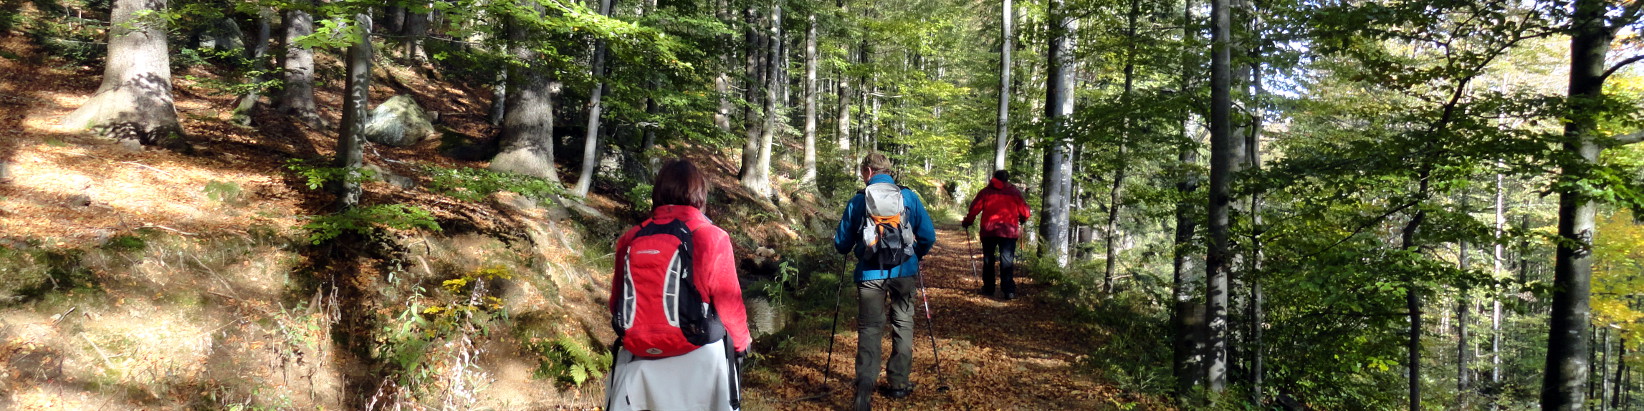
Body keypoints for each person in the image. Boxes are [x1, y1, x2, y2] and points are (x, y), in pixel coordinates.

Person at [607, 159, 752, 411]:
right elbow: (729, 304)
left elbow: (616, 303)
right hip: (698, 358)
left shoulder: (630, 238)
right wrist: (741, 345)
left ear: (658, 192)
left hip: (638, 358)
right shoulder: (712, 237)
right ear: (699, 194)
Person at [832, 152, 936, 410]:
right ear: (887, 171)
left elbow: (841, 244)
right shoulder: (909, 197)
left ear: (868, 171)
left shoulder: (859, 201)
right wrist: (915, 255)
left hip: (870, 275)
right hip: (904, 272)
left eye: (861, 171)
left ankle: (864, 388)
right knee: (903, 323)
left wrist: (851, 246)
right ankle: (898, 384)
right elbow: (928, 236)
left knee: (870, 328)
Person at [961, 170, 1031, 300]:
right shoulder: (1014, 192)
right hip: (1008, 231)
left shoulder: (986, 192)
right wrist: (1023, 219)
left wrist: (967, 222)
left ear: (994, 178)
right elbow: (1025, 212)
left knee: (989, 259)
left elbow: (974, 209)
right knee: (1007, 260)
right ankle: (1008, 290)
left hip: (989, 231)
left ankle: (989, 288)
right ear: (1007, 179)